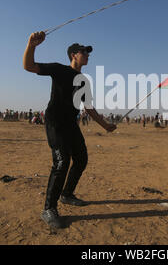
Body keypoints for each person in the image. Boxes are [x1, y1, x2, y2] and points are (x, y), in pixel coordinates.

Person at [23, 31, 116, 229]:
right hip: (55, 121)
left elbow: (89, 107)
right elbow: (29, 66)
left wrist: (106, 125)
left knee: (81, 158)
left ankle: (67, 194)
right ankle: (48, 209)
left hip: (70, 123)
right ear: (74, 54)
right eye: (84, 52)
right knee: (62, 161)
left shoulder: (84, 80)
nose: (88, 55)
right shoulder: (59, 69)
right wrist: (31, 45)